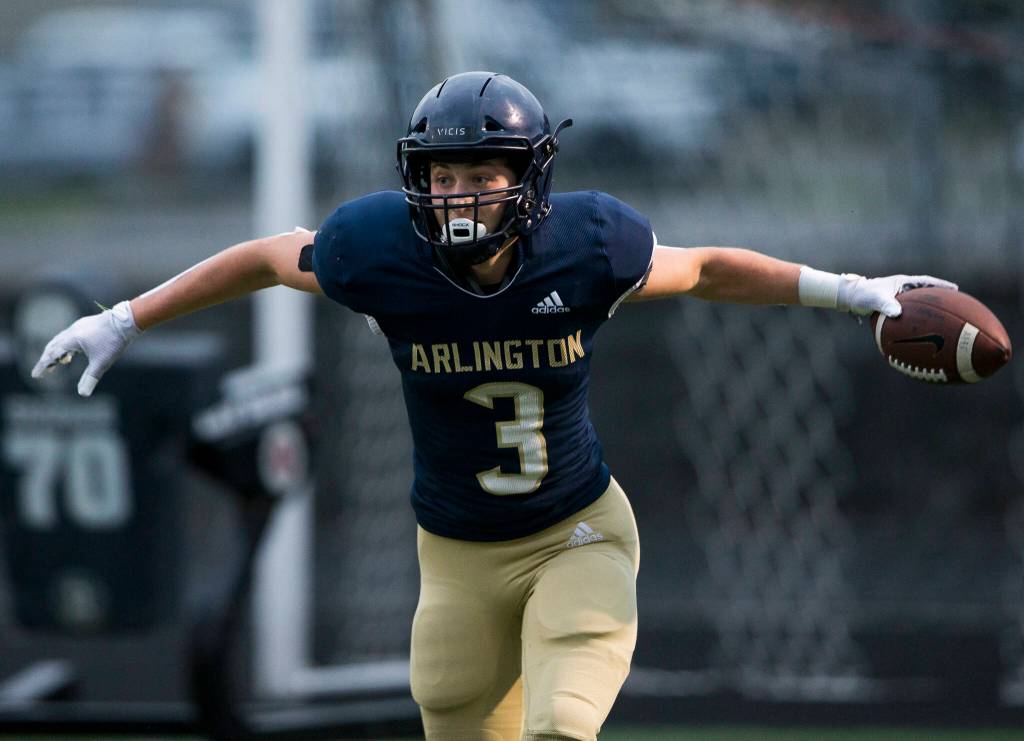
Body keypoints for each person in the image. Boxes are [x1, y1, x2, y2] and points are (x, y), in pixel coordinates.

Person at [32, 71, 955, 740]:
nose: (460, 192)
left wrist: (844, 289)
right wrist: (127, 315)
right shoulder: (377, 250)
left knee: (561, 725)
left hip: (576, 532)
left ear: (529, 178)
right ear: (417, 179)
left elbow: (708, 267)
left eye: (482, 172)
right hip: (456, 556)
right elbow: (271, 256)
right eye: (443, 174)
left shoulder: (586, 247)